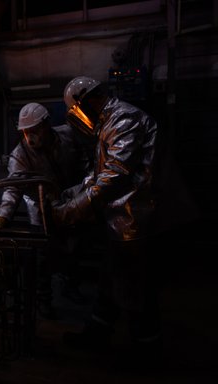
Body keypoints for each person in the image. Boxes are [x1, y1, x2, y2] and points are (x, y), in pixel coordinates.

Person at [52, 75, 197, 366]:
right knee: (110, 280)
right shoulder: (109, 123)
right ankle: (97, 333)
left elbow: (114, 175)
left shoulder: (123, 119)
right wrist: (68, 195)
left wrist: (70, 211)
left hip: (139, 222)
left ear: (87, 102)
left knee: (136, 288)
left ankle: (147, 351)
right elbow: (98, 173)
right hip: (124, 222)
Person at [0, 102, 90, 318]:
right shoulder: (21, 155)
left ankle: (70, 286)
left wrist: (83, 189)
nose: (30, 137)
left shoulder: (68, 135)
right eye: (25, 132)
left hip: (72, 200)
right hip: (41, 209)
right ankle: (44, 300)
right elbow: (12, 187)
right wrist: (3, 215)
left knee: (74, 248)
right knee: (43, 257)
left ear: (47, 125)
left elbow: (85, 162)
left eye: (34, 131)